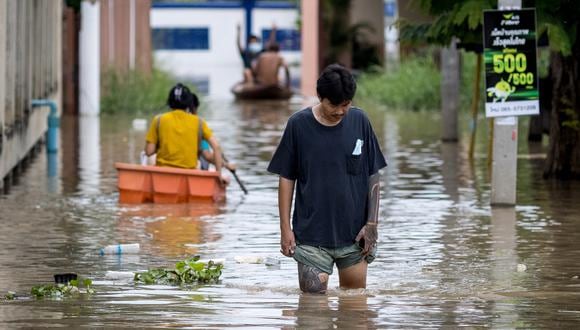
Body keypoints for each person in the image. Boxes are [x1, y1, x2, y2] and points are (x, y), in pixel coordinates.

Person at [267, 64, 387, 293]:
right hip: (312, 237)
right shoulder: (298, 125)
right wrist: (285, 228)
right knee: (312, 312)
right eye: (334, 105)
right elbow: (286, 178)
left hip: (355, 238)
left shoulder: (360, 121)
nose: (341, 111)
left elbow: (373, 174)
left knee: (354, 309)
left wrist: (372, 224)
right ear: (320, 97)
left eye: (346, 104)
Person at [144, 83, 225, 183]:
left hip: (163, 175)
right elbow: (216, 147)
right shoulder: (199, 122)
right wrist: (219, 175)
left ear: (170, 101)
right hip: (189, 176)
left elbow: (148, 152)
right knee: (199, 164)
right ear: (188, 103)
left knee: (150, 160)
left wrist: (162, 145)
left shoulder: (159, 120)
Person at [188, 92, 236, 172]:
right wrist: (226, 165)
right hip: (192, 168)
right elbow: (208, 155)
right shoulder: (199, 125)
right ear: (195, 110)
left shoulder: (164, 122)